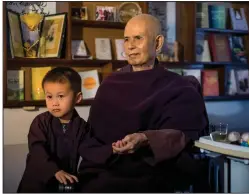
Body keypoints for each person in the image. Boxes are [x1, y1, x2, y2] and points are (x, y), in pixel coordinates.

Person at [78, 14, 209, 192]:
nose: (130, 46)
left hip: (155, 170)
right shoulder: (110, 84)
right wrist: (112, 150)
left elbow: (184, 134)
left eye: (138, 38)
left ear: (158, 43)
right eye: (126, 39)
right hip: (108, 167)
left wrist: (145, 138)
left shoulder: (179, 86)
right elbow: (93, 138)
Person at [17, 67, 87, 192]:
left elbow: (90, 150)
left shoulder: (82, 126)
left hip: (65, 182)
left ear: (77, 98)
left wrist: (111, 149)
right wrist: (54, 170)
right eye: (49, 97)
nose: (54, 103)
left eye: (60, 96)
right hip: (37, 183)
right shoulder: (40, 122)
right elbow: (37, 150)